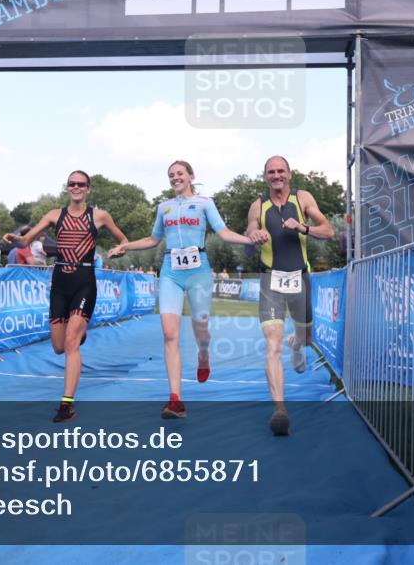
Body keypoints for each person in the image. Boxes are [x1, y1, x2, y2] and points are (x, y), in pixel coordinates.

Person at [110, 160, 257, 419]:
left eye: (180, 173)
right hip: (170, 272)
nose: (175, 178)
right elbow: (153, 240)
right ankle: (175, 400)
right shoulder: (163, 208)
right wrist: (126, 247)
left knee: (201, 329)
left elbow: (223, 233)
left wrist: (251, 239)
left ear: (191, 176)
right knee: (169, 334)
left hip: (198, 272)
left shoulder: (204, 203)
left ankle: (203, 355)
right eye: (171, 175)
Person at [5, 171, 128, 423]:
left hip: (84, 281)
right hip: (59, 282)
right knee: (59, 347)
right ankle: (79, 330)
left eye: (81, 184)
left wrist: (119, 249)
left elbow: (123, 239)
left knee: (71, 344)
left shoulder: (100, 216)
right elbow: (26, 239)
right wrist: (16, 239)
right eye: (72, 183)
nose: (76, 187)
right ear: (67, 188)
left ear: (88, 189)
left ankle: (67, 404)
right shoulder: (54, 215)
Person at [246, 156, 334, 435]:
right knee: (273, 344)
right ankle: (280, 410)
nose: (276, 175)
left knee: (306, 337)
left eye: (280, 170)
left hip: (300, 278)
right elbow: (249, 231)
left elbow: (329, 231)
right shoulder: (258, 205)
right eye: (271, 172)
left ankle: (297, 344)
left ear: (289, 174)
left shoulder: (303, 198)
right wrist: (255, 235)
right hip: (270, 279)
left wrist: (303, 227)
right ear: (265, 177)